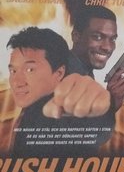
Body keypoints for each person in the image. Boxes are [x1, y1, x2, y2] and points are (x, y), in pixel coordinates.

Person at [6, 27, 113, 156]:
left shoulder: (54, 112)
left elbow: (95, 129)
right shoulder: (33, 107)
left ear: (59, 73)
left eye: (29, 70)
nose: (16, 82)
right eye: (13, 71)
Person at [68, 5, 124, 111]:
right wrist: (111, 104)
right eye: (97, 37)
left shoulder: (84, 72)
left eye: (113, 39)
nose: (107, 47)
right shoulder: (63, 75)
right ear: (76, 36)